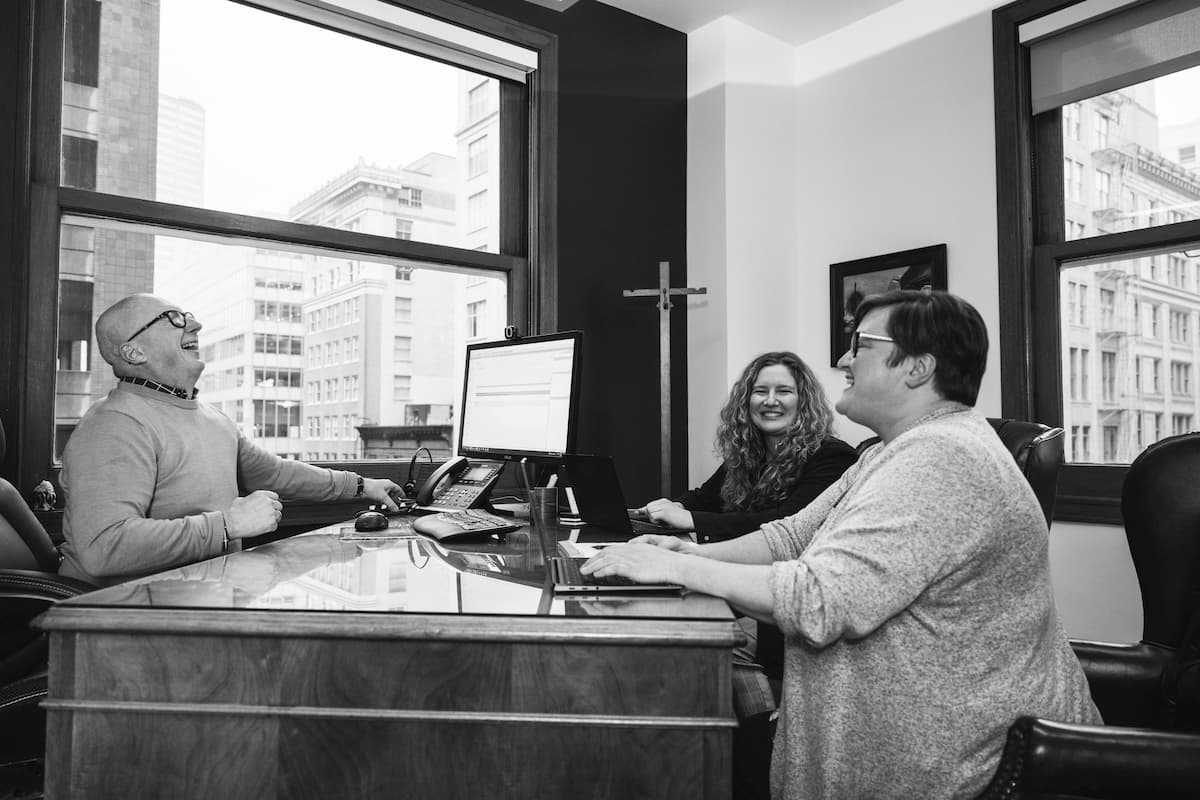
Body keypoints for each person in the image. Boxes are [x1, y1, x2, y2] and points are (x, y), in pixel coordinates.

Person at [583, 290, 1102, 799]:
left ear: (917, 368)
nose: (842, 358)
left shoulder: (943, 459)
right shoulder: (888, 452)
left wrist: (674, 571)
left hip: (961, 769)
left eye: (859, 344)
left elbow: (820, 600)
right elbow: (789, 536)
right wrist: (691, 554)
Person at [60, 294, 402, 587]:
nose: (195, 326)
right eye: (174, 319)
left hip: (201, 597)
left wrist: (360, 485)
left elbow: (276, 474)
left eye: (189, 317)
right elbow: (102, 548)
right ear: (134, 353)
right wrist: (229, 525)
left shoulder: (209, 418)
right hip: (122, 621)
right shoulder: (115, 425)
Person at [635, 351, 857, 544]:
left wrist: (690, 519)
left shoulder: (832, 456)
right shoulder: (751, 452)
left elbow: (787, 523)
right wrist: (675, 506)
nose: (770, 401)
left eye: (783, 391)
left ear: (803, 401)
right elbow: (704, 499)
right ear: (746, 401)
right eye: (760, 391)